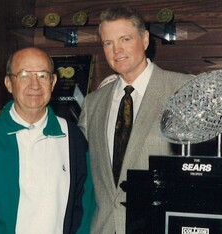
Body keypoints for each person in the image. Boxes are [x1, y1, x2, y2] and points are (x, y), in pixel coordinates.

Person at [0, 47, 94, 234]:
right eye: (24, 75)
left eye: (42, 75)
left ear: (53, 82)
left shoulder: (72, 138)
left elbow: (85, 210)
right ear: (9, 83)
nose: (35, 84)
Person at [78, 6, 195, 234]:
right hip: (105, 228)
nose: (117, 50)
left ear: (145, 39)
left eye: (125, 39)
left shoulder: (182, 89)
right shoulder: (93, 103)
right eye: (108, 43)